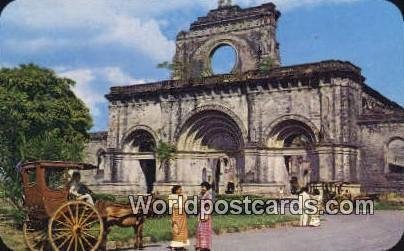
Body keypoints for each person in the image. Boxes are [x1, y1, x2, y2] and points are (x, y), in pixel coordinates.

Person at [168, 185, 190, 251]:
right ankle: (174, 246)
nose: (180, 191)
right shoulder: (172, 196)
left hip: (183, 215)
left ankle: (182, 245)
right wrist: (172, 217)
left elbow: (186, 203)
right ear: (175, 190)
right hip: (176, 214)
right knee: (176, 229)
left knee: (183, 230)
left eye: (181, 189)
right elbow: (170, 208)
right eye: (179, 189)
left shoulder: (183, 196)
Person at [195, 182, 213, 251]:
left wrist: (207, 215)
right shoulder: (201, 195)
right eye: (202, 187)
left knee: (205, 230)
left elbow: (209, 206)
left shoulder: (208, 195)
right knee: (200, 230)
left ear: (207, 188)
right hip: (201, 213)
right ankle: (200, 245)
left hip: (206, 213)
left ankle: (205, 246)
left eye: (204, 187)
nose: (202, 188)